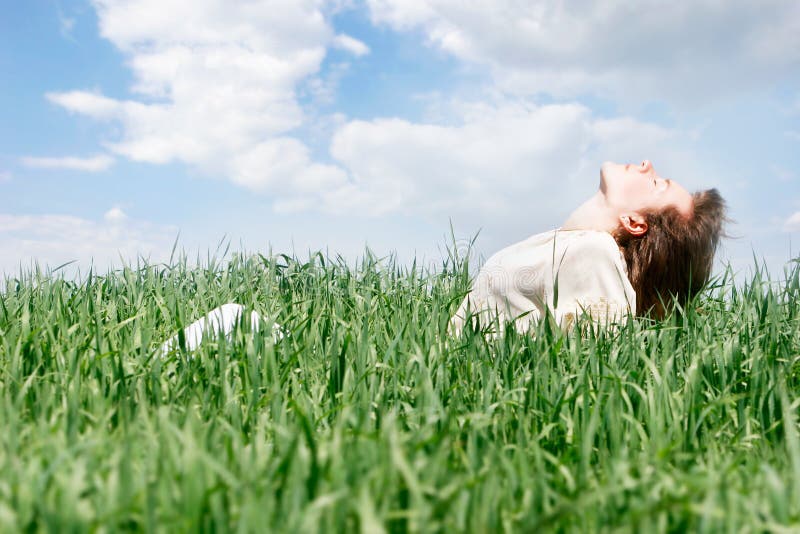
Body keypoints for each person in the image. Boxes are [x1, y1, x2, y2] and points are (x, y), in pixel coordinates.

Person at [447, 160, 726, 336]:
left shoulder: (597, 253)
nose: (646, 164)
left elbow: (593, 355)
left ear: (635, 222)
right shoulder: (571, 244)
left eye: (655, 183)